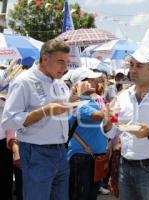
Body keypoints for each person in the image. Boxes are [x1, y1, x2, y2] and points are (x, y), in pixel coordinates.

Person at [1, 39, 76, 200]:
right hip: (37, 152)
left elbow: (64, 113)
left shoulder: (60, 83)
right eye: (60, 62)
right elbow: (8, 121)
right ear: (44, 58)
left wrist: (74, 99)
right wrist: (43, 111)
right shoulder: (24, 82)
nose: (65, 67)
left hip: (60, 151)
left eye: (67, 62)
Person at [104, 47, 149, 200]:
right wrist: (107, 120)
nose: (133, 70)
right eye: (132, 65)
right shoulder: (123, 97)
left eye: (139, 66)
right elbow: (112, 131)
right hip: (125, 167)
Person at [68, 67, 111, 200]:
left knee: (90, 195)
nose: (93, 82)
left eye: (93, 79)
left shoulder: (95, 100)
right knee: (80, 196)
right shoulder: (76, 103)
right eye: (88, 80)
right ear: (77, 84)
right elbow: (100, 115)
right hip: (81, 157)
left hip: (94, 156)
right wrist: (113, 109)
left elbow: (109, 118)